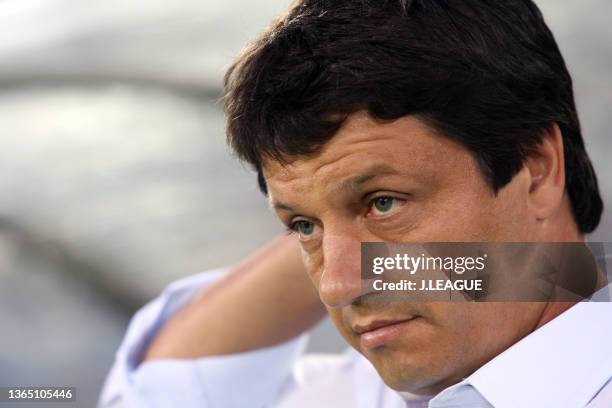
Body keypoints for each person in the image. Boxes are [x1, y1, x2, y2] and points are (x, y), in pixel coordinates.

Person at [99, 1, 612, 407]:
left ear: (537, 167)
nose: (335, 286)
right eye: (301, 227)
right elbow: (166, 390)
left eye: (384, 202)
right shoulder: (366, 394)